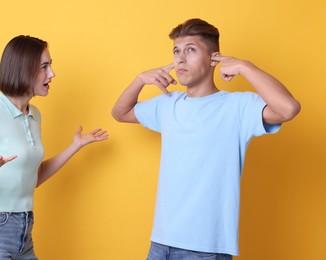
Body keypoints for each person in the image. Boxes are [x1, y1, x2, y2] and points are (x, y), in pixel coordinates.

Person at [112, 18, 300, 259]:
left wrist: (245, 67)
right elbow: (120, 113)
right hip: (160, 243)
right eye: (176, 51)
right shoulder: (168, 104)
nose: (180, 59)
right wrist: (140, 79)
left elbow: (288, 109)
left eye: (191, 50)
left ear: (214, 58)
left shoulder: (237, 106)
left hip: (206, 249)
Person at [0, 35, 108, 259]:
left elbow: (34, 176)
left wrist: (75, 146)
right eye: (44, 67)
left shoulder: (34, 114)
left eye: (51, 65)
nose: (52, 73)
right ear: (24, 69)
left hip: (23, 229)